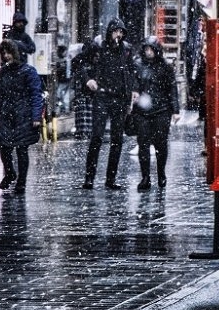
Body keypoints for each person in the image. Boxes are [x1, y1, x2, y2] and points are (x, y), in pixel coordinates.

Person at [82, 18, 138, 190]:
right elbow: (83, 63)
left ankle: (111, 178)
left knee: (117, 139)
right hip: (103, 96)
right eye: (116, 31)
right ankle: (89, 177)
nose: (118, 35)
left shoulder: (126, 50)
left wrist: (133, 90)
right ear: (110, 31)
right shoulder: (98, 46)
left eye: (121, 32)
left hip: (120, 97)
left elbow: (131, 71)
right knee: (97, 136)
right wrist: (88, 80)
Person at [0, 40, 43, 193]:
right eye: (4, 53)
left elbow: (35, 95)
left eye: (9, 52)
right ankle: (10, 173)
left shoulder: (29, 71)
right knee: (4, 148)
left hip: (23, 116)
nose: (6, 56)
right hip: (7, 116)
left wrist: (36, 117)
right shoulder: (4, 72)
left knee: (21, 149)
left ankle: (21, 182)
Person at [131, 37, 180, 191]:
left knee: (161, 144)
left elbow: (172, 89)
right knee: (143, 144)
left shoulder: (165, 67)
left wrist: (175, 110)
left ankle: (161, 173)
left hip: (161, 110)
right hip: (142, 111)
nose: (149, 52)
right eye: (146, 49)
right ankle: (145, 176)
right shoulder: (138, 65)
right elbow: (134, 84)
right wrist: (134, 94)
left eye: (151, 49)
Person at [70, 38, 99, 139]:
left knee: (85, 112)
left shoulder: (80, 60)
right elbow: (79, 71)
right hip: (83, 90)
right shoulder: (79, 60)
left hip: (87, 91)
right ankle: (84, 133)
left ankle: (85, 132)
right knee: (85, 112)